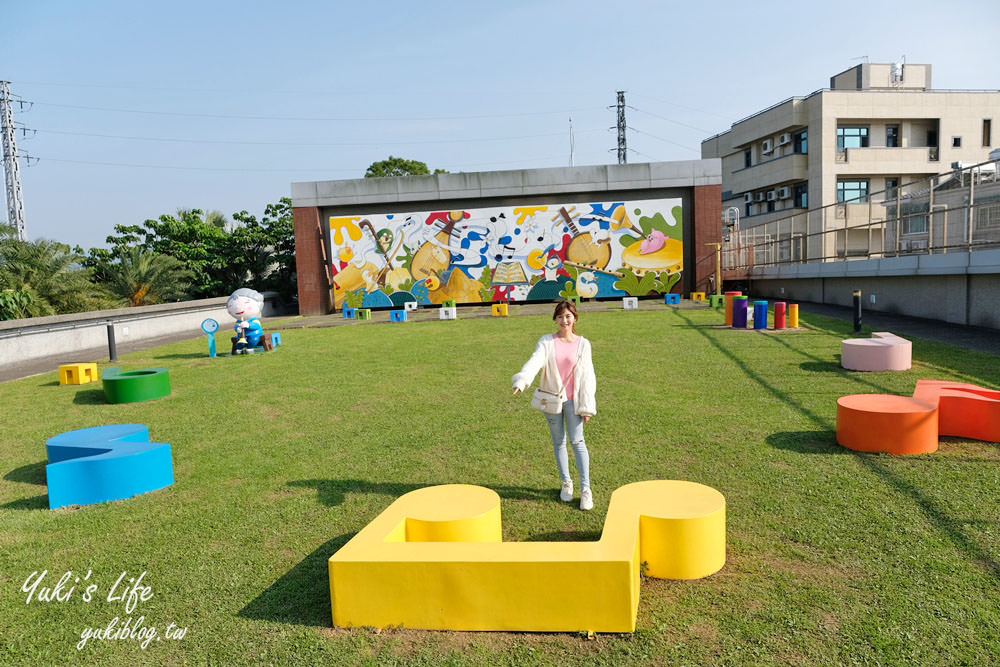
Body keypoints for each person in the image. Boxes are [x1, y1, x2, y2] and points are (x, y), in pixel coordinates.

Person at [512, 300, 597, 510]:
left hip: (574, 402)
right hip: (551, 399)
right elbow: (535, 361)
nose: (564, 320)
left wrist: (586, 406)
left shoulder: (583, 344)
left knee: (578, 442)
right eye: (560, 317)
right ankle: (566, 483)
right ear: (555, 319)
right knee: (559, 442)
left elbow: (588, 377)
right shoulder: (547, 342)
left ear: (574, 318)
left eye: (568, 316)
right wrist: (522, 381)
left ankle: (585, 490)